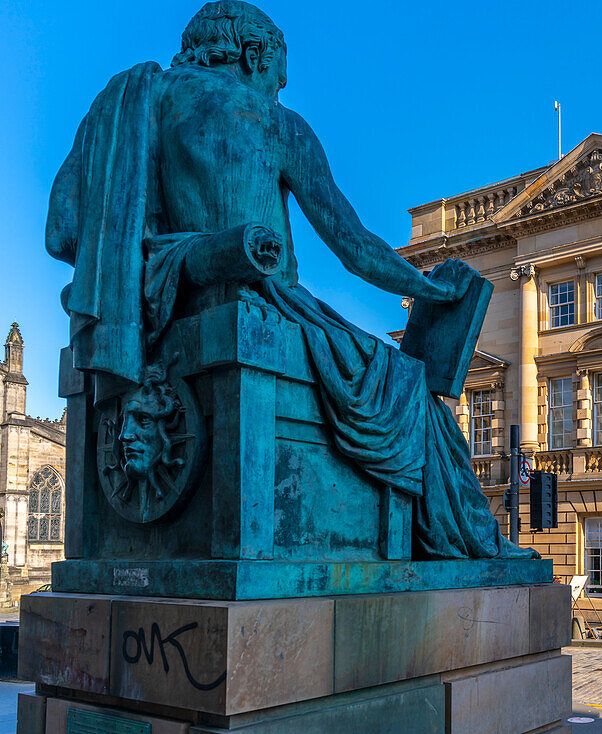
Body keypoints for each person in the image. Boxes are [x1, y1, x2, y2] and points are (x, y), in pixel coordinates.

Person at [44, 1, 535, 561]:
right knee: (414, 395)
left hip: (153, 307)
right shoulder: (273, 123)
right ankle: (464, 541)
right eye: (278, 76)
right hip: (263, 298)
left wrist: (161, 254)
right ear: (254, 56)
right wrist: (434, 291)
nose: (279, 89)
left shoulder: (128, 104)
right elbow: (354, 248)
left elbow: (62, 233)